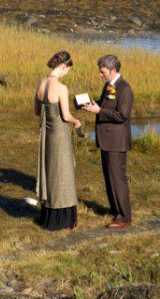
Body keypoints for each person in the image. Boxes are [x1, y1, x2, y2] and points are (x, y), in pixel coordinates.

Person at [82, 54, 134, 229]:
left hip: (116, 141)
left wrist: (99, 111)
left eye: (102, 72)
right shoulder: (109, 85)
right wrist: (90, 104)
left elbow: (122, 115)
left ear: (113, 71)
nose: (100, 74)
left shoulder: (125, 89)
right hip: (106, 139)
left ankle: (124, 216)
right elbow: (105, 105)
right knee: (109, 178)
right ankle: (115, 210)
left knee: (117, 178)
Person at [34, 51, 82, 231]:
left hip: (46, 134)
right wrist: (76, 121)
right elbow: (66, 115)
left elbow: (37, 112)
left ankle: (48, 217)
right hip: (60, 134)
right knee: (63, 173)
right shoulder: (61, 88)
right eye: (67, 70)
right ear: (63, 66)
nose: (66, 74)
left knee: (49, 171)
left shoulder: (40, 83)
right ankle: (64, 221)